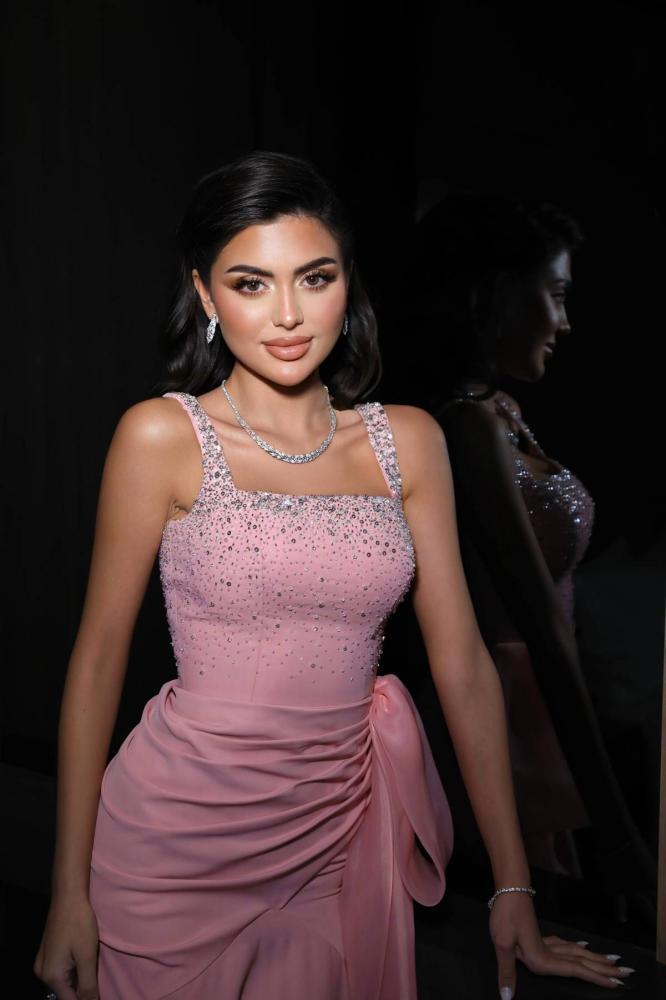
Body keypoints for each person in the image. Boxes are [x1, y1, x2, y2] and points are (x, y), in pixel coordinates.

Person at [33, 153, 630, 1000]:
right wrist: (67, 894)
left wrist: (513, 888)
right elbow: (96, 663)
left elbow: (463, 664)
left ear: (348, 284)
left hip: (338, 837)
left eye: (314, 278)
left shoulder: (410, 440)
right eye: (250, 283)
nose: (287, 313)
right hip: (174, 843)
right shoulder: (160, 438)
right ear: (205, 295)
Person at [406, 193, 656, 891]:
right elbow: (543, 631)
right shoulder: (465, 429)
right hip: (504, 722)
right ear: (496, 295)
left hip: (533, 719)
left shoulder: (499, 412)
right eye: (556, 295)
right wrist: (622, 834)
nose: (565, 322)